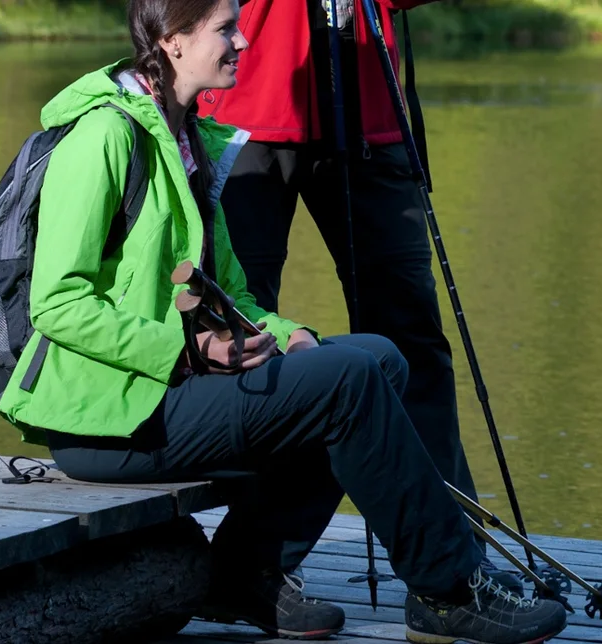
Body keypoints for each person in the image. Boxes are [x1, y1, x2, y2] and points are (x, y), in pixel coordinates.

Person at [0, 0, 566, 640]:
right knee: (344, 384)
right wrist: (187, 350)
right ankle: (449, 590)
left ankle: (249, 574)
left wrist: (292, 333)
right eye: (226, 29)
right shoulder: (104, 134)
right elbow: (58, 304)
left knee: (375, 356)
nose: (243, 40)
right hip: (105, 417)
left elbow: (232, 292)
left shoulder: (193, 139)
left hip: (157, 393)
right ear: (174, 41)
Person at [197, 0, 494, 579]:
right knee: (246, 338)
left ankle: (456, 558)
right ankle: (256, 565)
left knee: (412, 339)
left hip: (369, 109)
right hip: (247, 107)